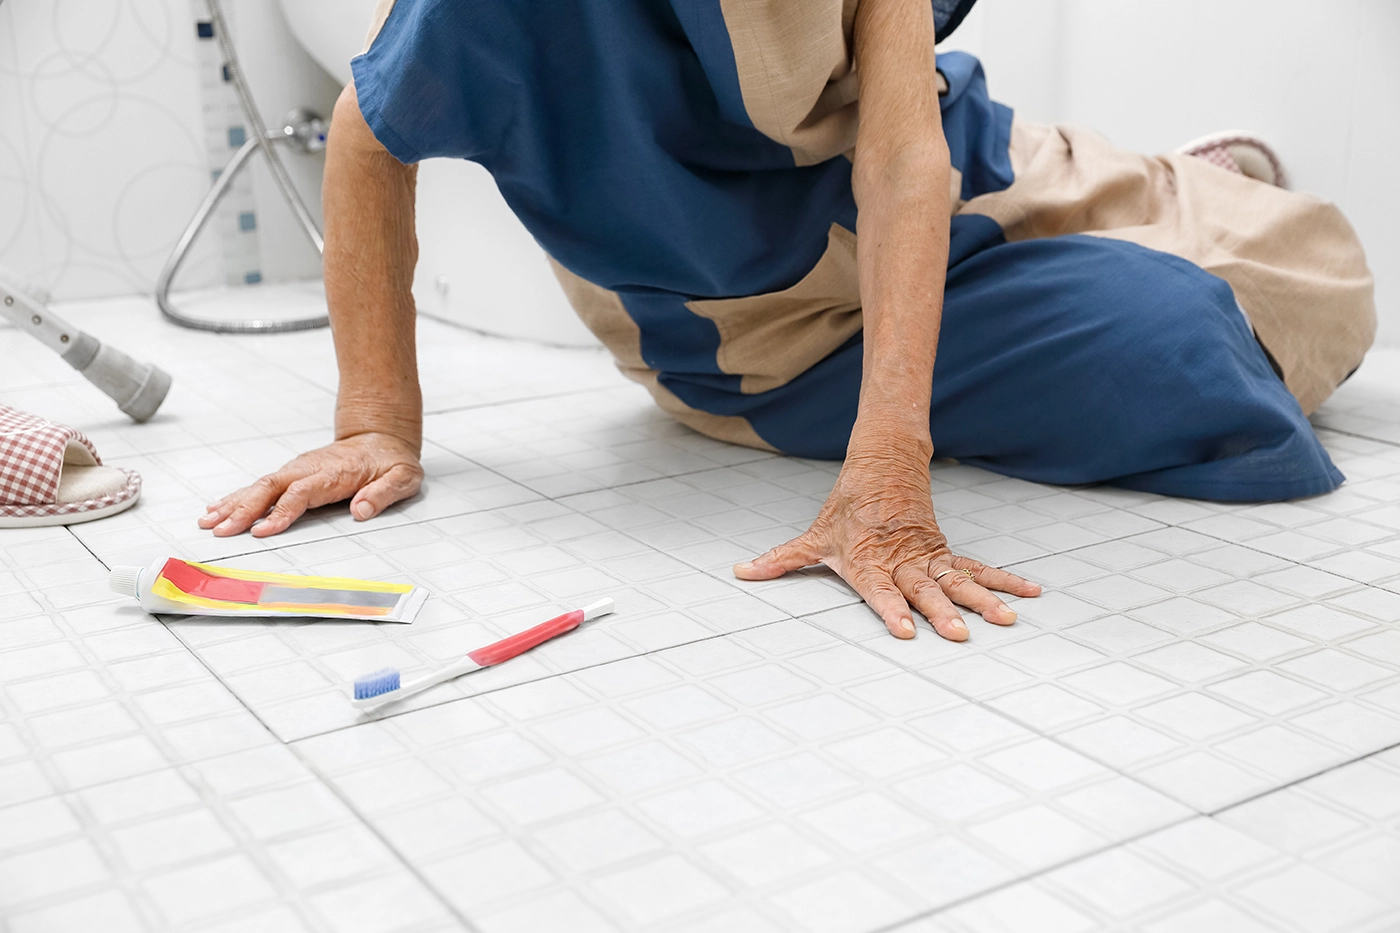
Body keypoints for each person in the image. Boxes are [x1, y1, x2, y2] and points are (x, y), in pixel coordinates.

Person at [199, 0, 1375, 642]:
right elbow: (367, 128)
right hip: (770, 326)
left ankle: (1154, 203)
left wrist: (887, 469)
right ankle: (1144, 237)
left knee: (1319, 263)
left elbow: (902, 160)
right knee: (1181, 345)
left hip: (943, 169)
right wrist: (375, 420)